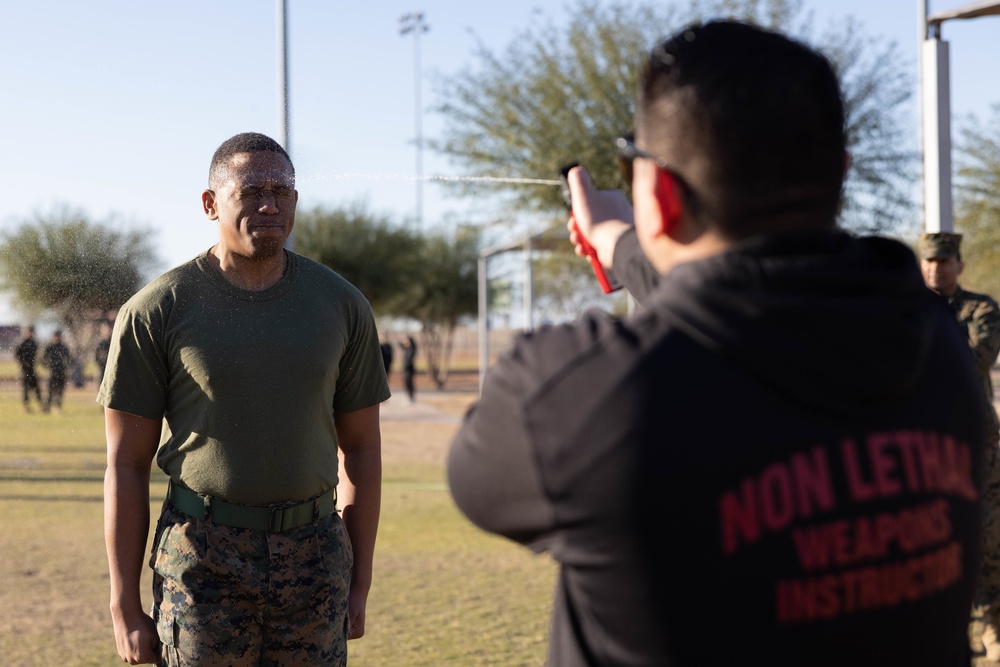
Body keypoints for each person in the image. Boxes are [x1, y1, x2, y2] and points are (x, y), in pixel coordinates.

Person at [448, 21, 988, 667]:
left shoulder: (582, 402)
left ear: (663, 193)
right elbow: (750, 304)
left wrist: (634, 234)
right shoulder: (939, 346)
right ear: (840, 174)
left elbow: (478, 473)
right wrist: (627, 241)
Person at [100, 132, 389, 666]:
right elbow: (126, 461)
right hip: (200, 561)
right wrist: (124, 605)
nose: (269, 204)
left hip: (316, 558)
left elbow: (363, 451)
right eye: (251, 190)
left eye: (282, 191)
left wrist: (359, 577)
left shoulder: (342, 306)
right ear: (211, 203)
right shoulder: (156, 310)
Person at [918, 231, 1000, 662]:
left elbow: (974, 360)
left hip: (976, 441)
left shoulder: (980, 308)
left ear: (960, 265)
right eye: (930, 262)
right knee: (933, 534)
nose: (937, 268)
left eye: (944, 261)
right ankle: (952, 630)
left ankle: (992, 625)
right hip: (922, 444)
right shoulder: (907, 309)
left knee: (986, 533)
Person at [14, 325, 43, 412]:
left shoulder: (34, 343)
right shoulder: (22, 343)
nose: (31, 334)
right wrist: (23, 363)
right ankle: (26, 407)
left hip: (32, 369)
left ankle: (40, 405)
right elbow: (17, 355)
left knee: (36, 388)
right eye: (29, 332)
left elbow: (36, 356)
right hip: (24, 369)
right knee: (25, 389)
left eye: (32, 332)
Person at [41, 330, 71, 413]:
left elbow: (69, 359)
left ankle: (58, 407)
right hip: (52, 373)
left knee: (60, 391)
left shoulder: (64, 347)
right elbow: (43, 359)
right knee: (50, 391)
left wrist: (66, 366)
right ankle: (47, 407)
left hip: (61, 373)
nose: (57, 338)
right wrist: (48, 365)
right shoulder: (50, 347)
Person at [401, 335, 417, 403]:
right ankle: (408, 396)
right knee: (406, 383)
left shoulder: (412, 349)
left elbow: (409, 360)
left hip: (409, 369)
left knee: (410, 383)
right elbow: (400, 345)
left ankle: (411, 397)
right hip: (405, 369)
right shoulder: (406, 349)